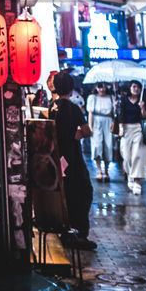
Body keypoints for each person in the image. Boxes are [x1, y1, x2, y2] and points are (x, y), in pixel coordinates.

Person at [49, 72, 95, 249]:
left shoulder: (51, 107)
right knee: (83, 192)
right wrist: (77, 134)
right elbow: (87, 131)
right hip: (72, 159)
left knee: (65, 193)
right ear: (72, 88)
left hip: (56, 158)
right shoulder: (73, 108)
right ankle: (80, 234)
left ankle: (65, 230)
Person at [116, 82, 146, 194]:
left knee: (138, 155)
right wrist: (120, 127)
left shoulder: (142, 101)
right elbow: (119, 113)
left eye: (138, 87)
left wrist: (142, 108)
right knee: (126, 155)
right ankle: (130, 175)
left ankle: (137, 181)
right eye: (134, 86)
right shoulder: (123, 100)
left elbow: (145, 117)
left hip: (138, 129)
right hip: (125, 129)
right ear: (130, 88)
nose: (136, 89)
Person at [86, 83, 116, 182]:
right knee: (97, 146)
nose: (102, 89)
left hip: (108, 121)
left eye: (103, 86)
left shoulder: (111, 97)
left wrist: (114, 119)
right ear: (96, 87)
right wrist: (90, 127)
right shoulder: (92, 98)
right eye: (99, 87)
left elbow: (114, 113)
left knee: (108, 145)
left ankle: (106, 171)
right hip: (96, 122)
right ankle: (99, 170)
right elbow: (90, 113)